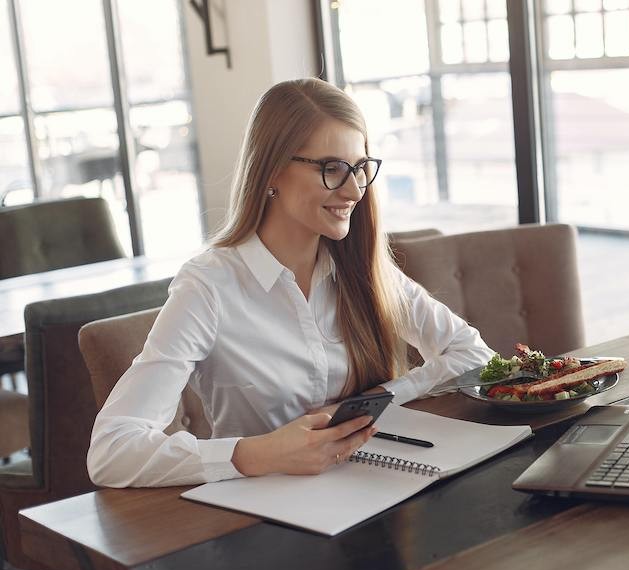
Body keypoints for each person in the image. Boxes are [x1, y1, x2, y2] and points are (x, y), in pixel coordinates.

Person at [87, 79, 493, 487]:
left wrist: (374, 401)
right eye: (331, 169)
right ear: (272, 171)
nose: (353, 190)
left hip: (369, 489)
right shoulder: (208, 286)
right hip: (262, 512)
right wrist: (261, 452)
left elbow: (472, 355)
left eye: (359, 168)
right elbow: (112, 451)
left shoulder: (361, 267)